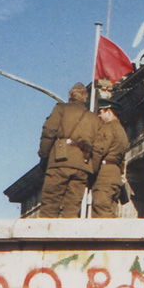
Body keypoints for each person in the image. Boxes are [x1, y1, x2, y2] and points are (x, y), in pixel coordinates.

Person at [37, 82, 100, 218]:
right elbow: (98, 146)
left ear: (70, 95)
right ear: (86, 98)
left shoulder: (61, 109)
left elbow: (49, 131)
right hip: (82, 166)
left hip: (61, 160)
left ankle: (43, 239)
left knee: (50, 204)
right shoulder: (94, 118)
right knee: (72, 208)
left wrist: (44, 154)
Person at [91, 97, 130, 218]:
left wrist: (91, 171)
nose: (99, 116)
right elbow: (122, 158)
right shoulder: (122, 131)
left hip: (104, 174)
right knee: (110, 211)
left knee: (100, 209)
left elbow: (98, 150)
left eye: (101, 113)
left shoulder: (107, 128)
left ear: (108, 111)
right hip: (115, 175)